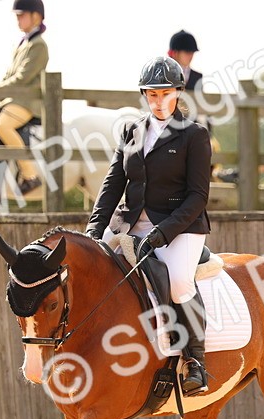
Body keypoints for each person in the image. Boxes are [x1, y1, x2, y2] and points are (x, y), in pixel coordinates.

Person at [84, 56, 213, 396]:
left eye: (165, 94)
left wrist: (162, 233)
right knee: (87, 266)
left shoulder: (194, 135)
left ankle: (194, 360)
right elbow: (112, 185)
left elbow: (198, 196)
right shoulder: (131, 131)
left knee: (180, 283)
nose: (158, 102)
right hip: (129, 223)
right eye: (151, 95)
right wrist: (93, 232)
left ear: (178, 93)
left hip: (180, 226)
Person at [0, 0, 49, 196]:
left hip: (28, 102)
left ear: (36, 16)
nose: (18, 19)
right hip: (14, 98)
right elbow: (9, 74)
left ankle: (29, 175)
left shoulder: (39, 46)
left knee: (3, 125)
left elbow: (23, 77)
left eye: (21, 15)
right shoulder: (23, 44)